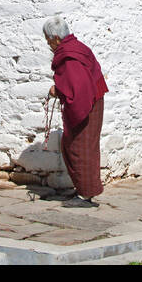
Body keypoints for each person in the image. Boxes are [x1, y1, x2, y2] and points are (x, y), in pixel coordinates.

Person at [45, 16, 108, 208]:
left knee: (80, 148)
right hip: (92, 100)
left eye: (48, 40)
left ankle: (85, 196)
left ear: (56, 38)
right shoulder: (76, 47)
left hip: (87, 103)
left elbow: (78, 87)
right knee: (76, 145)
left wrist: (58, 91)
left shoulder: (70, 54)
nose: (48, 44)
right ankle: (83, 189)